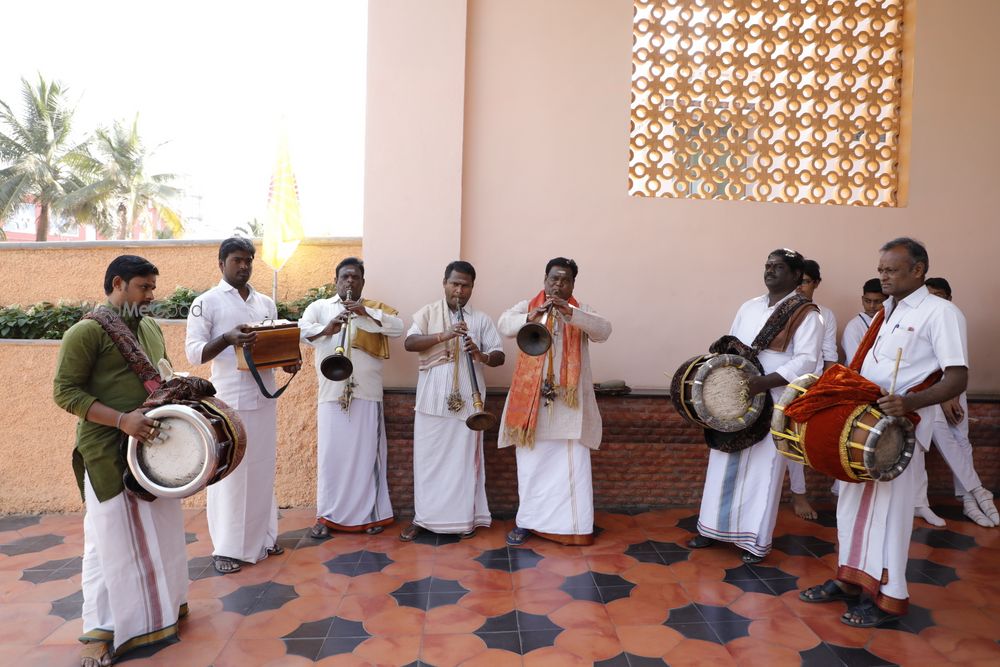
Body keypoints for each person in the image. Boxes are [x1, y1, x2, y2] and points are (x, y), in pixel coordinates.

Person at [800, 238, 968, 628]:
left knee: (890, 516)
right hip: (864, 427)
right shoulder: (885, 312)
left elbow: (957, 376)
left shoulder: (940, 312)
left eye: (892, 270)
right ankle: (850, 581)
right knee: (851, 507)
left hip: (899, 432)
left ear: (918, 270)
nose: (884, 277)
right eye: (881, 270)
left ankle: (891, 597)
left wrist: (910, 403)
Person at [54, 256, 188, 667]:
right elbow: (65, 392)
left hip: (152, 447)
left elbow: (160, 376)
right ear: (118, 283)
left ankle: (162, 614)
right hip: (105, 451)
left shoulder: (148, 326)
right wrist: (121, 420)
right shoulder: (85, 332)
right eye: (144, 288)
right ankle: (100, 631)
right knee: (106, 541)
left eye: (152, 287)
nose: (151, 296)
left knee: (162, 533)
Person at [688, 249, 823, 563]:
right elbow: (732, 344)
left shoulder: (806, 313)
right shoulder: (749, 307)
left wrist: (764, 383)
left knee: (763, 471)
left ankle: (753, 541)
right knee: (722, 461)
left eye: (778, 267)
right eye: (767, 265)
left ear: (794, 275)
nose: (770, 271)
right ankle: (711, 529)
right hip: (737, 396)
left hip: (773, 397)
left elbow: (807, 361)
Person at [185, 238, 298, 574]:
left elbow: (270, 347)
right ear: (221, 263)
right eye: (237, 260)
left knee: (262, 468)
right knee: (230, 475)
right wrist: (228, 338)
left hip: (264, 398)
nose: (244, 266)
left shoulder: (265, 302)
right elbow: (194, 353)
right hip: (228, 402)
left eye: (249, 260)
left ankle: (263, 538)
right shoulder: (206, 303)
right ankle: (228, 548)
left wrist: (288, 362)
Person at [498, 257, 611, 547]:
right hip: (532, 405)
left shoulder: (580, 310)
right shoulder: (527, 306)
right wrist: (531, 316)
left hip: (568, 407)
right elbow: (504, 325)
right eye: (553, 279)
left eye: (565, 280)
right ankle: (528, 522)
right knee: (531, 465)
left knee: (570, 467)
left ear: (573, 283)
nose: (558, 285)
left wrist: (572, 314)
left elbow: (604, 331)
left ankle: (574, 525)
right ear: (544, 280)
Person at [400, 261, 505, 541]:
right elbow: (409, 343)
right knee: (428, 462)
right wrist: (444, 335)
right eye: (454, 283)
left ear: (472, 287)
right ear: (444, 283)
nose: (459, 290)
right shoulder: (427, 313)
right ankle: (423, 519)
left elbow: (499, 355)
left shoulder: (481, 319)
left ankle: (462, 521)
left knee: (462, 464)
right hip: (431, 402)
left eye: (465, 285)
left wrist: (481, 355)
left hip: (469, 406)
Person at [298, 257, 403, 537]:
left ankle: (370, 515)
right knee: (332, 456)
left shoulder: (374, 310)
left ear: (362, 282)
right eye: (345, 277)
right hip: (332, 392)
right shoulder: (320, 308)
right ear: (336, 281)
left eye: (355, 277)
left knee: (367, 455)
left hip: (366, 391)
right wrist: (327, 329)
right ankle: (327, 515)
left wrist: (365, 314)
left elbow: (398, 328)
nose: (349, 282)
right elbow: (301, 330)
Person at [912, 277, 998, 528]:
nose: (934, 301)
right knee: (941, 437)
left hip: (953, 388)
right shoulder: (920, 319)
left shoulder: (953, 317)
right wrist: (942, 396)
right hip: (929, 391)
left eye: (940, 296)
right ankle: (977, 491)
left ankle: (969, 501)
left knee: (962, 441)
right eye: (930, 296)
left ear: (949, 298)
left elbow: (956, 361)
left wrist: (950, 394)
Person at [786, 258, 838, 520]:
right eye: (797, 281)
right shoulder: (778, 309)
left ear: (816, 284)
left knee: (798, 443)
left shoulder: (824, 314)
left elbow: (829, 354)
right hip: (777, 383)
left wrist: (826, 388)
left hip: (809, 385)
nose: (799, 287)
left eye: (805, 282)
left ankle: (799, 495)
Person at [841, 278, 887, 363]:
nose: (872, 306)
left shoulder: (889, 322)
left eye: (877, 301)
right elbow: (855, 362)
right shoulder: (854, 327)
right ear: (862, 300)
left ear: (887, 301)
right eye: (868, 301)